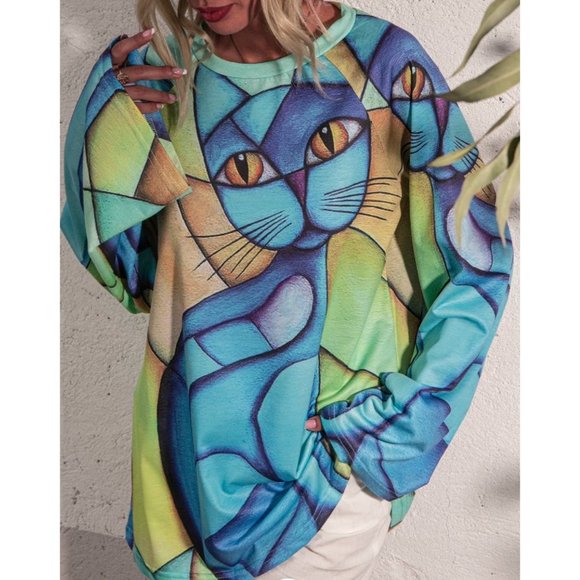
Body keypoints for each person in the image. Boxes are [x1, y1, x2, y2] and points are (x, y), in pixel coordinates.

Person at [60, 0, 515, 578]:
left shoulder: (380, 60)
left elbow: (480, 260)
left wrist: (401, 428)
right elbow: (134, 279)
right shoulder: (168, 74)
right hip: (179, 490)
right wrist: (104, 126)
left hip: (319, 486)